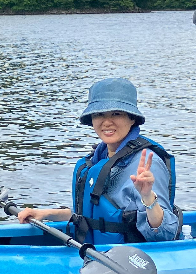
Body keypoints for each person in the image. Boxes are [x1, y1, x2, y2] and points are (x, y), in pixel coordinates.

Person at [18, 78, 180, 243]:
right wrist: (44, 214)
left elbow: (165, 234)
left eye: (116, 113)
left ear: (132, 119)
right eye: (99, 114)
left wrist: (147, 196)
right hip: (94, 255)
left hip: (129, 261)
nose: (107, 122)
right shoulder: (98, 159)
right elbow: (87, 215)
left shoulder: (147, 163)